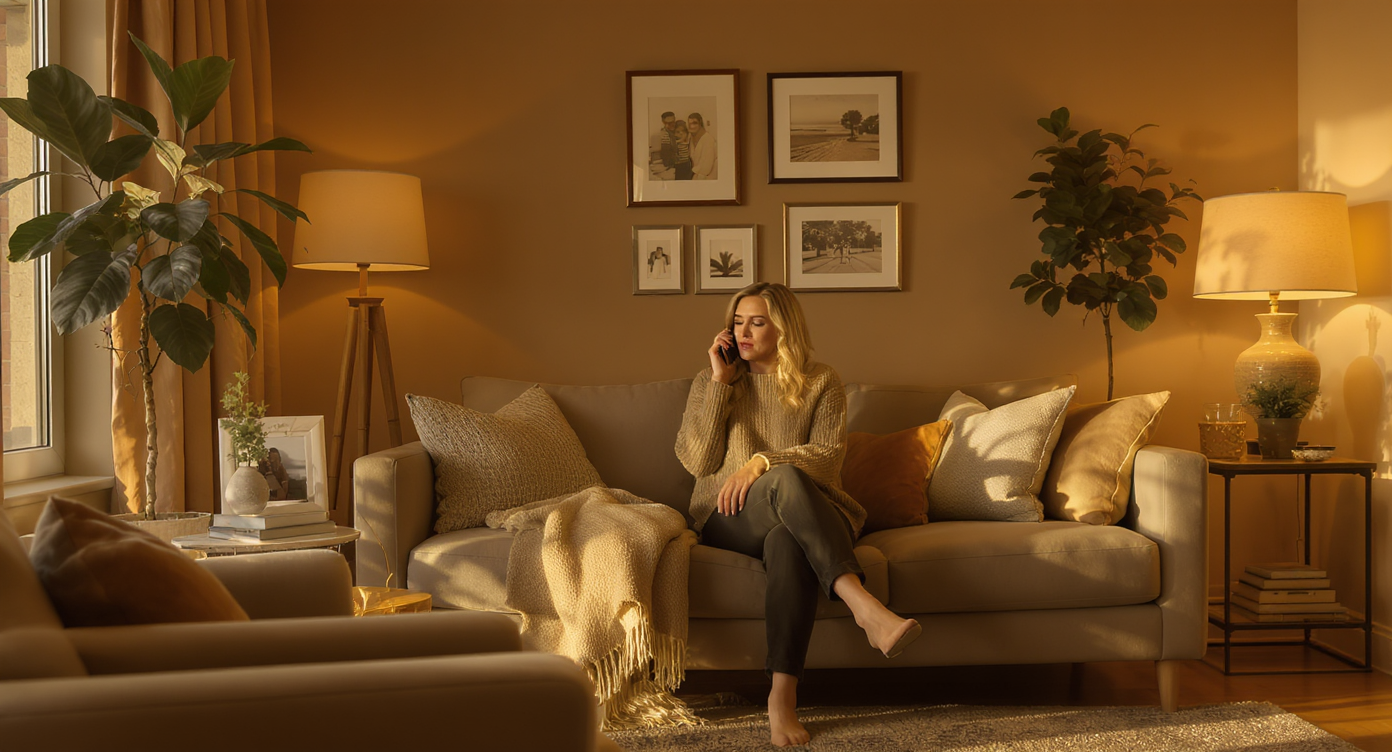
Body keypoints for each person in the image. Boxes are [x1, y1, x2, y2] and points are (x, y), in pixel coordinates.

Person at [675, 282, 920, 747]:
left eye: (757, 322)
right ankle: (863, 606)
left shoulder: (821, 381)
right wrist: (720, 385)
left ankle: (781, 698)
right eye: (738, 322)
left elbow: (827, 457)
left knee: (787, 540)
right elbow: (698, 462)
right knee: (784, 478)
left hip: (805, 512)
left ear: (784, 329)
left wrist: (761, 461)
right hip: (730, 515)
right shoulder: (711, 382)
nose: (743, 332)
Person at [687, 112, 717, 180]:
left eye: (695, 123)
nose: (692, 126)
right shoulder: (691, 139)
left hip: (707, 177)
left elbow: (706, 167)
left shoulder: (708, 139)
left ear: (700, 124)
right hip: (696, 176)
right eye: (690, 124)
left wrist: (692, 173)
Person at [650, 111, 679, 179]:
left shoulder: (678, 131)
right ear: (663, 122)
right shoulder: (663, 135)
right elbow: (666, 156)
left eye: (673, 122)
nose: (671, 125)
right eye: (668, 123)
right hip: (667, 167)